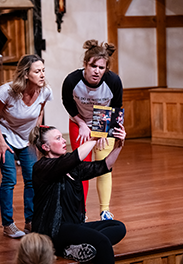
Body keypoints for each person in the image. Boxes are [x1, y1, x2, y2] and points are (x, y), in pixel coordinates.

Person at [29, 124, 127, 264]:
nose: (64, 140)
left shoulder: (71, 167)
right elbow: (75, 158)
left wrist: (118, 144)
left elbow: (104, 166)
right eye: (58, 138)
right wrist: (94, 138)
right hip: (53, 230)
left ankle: (73, 249)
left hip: (74, 226)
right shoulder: (41, 167)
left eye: (62, 137)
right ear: (46, 147)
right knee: (102, 242)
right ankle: (70, 248)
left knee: (118, 227)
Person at [0, 54, 53, 238]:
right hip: (6, 135)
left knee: (32, 178)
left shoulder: (45, 91)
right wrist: (0, 141)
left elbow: (39, 114)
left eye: (43, 71)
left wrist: (35, 139)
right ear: (26, 74)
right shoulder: (7, 91)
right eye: (37, 71)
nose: (42, 75)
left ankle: (30, 221)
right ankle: (8, 224)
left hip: (27, 138)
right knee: (9, 178)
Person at [62, 39, 123, 220]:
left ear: (106, 69)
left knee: (104, 165)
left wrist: (104, 131)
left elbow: (116, 108)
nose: (97, 71)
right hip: (79, 122)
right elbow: (67, 103)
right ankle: (82, 211)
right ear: (85, 65)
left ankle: (105, 210)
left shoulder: (113, 81)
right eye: (93, 66)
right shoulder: (72, 80)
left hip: (103, 122)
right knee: (81, 167)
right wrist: (81, 124)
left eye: (101, 68)